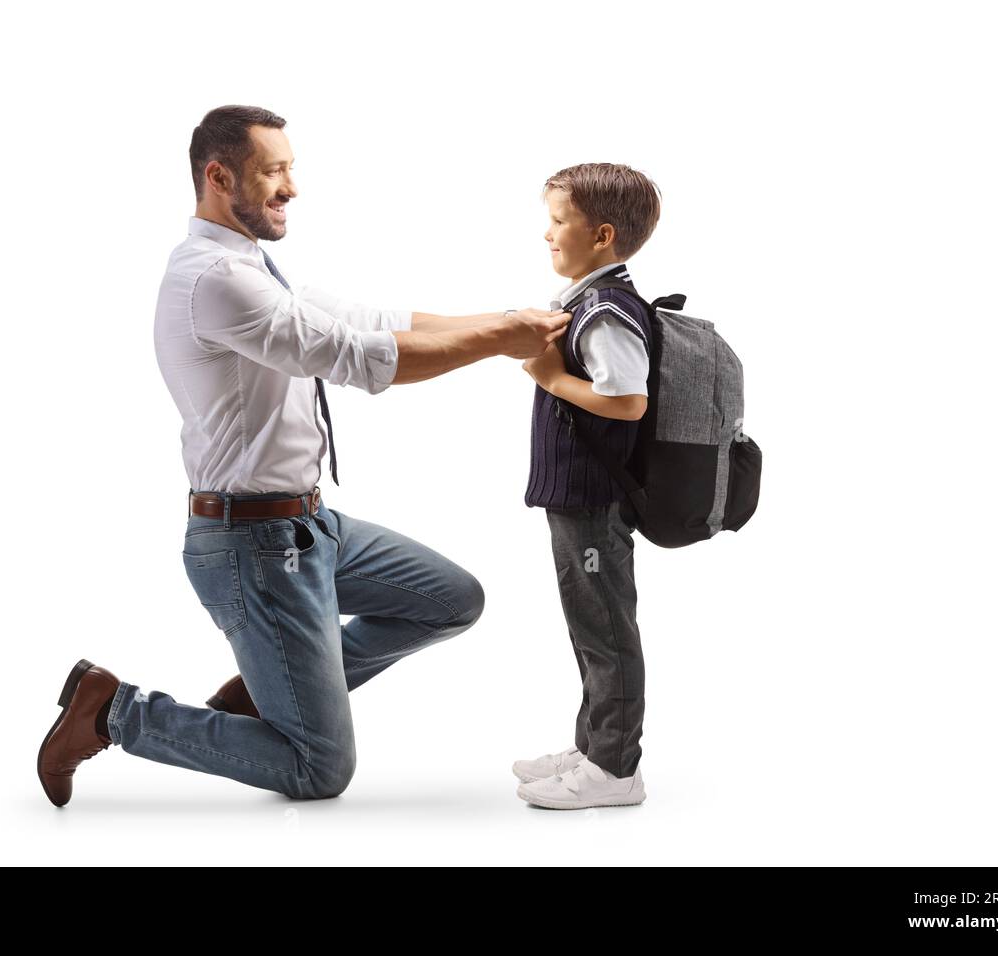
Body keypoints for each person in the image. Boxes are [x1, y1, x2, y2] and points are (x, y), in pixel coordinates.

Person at [36, 105, 569, 806]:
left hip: (311, 528)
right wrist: (503, 343)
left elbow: (370, 320)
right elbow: (353, 355)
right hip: (250, 543)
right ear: (219, 176)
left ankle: (278, 686)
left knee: (450, 600)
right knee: (318, 770)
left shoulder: (250, 264)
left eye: (291, 169)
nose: (292, 187)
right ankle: (113, 712)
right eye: (275, 171)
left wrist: (505, 320)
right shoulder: (213, 279)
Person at [513, 163, 662, 809]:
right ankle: (595, 745)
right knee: (588, 628)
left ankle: (616, 771)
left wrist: (546, 376)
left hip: (595, 500)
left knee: (605, 632)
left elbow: (627, 401)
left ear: (602, 235)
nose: (547, 233)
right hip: (577, 500)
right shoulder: (584, 303)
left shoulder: (604, 311)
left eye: (558, 220)